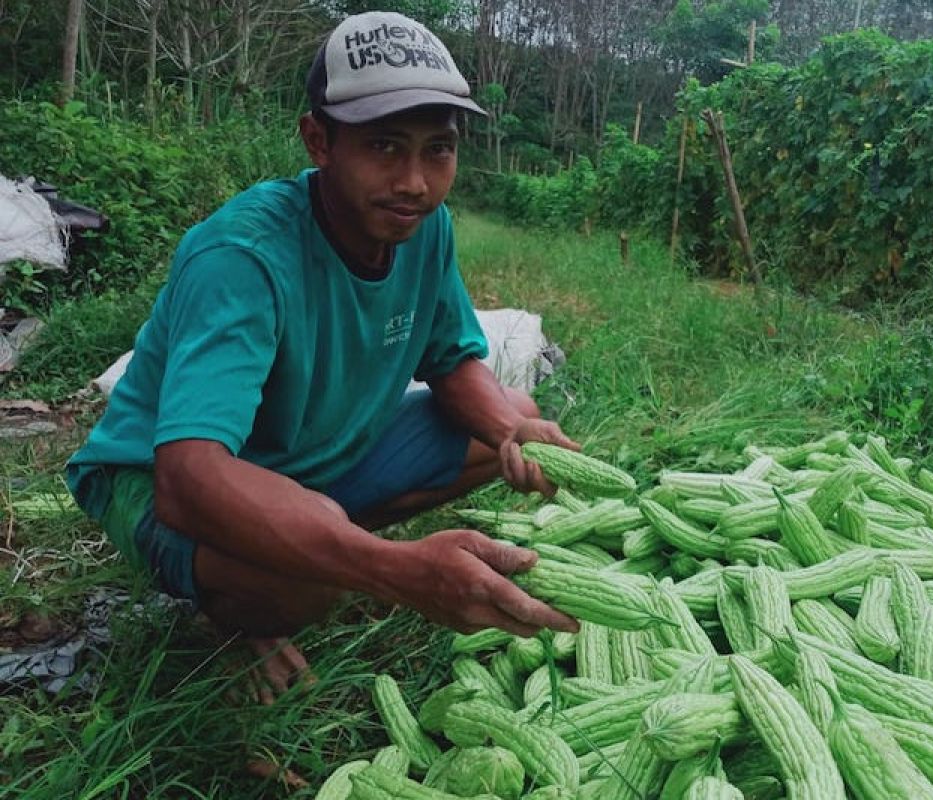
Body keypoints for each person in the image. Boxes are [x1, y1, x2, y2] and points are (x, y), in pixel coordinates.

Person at [65, 10, 580, 702]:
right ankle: (255, 594)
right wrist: (396, 570)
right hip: (157, 476)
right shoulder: (244, 258)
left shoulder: (424, 231)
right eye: (386, 146)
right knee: (304, 585)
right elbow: (187, 478)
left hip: (311, 458)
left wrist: (510, 431)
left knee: (508, 413)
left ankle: (311, 539)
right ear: (319, 141)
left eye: (438, 150)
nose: (416, 183)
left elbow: (453, 361)